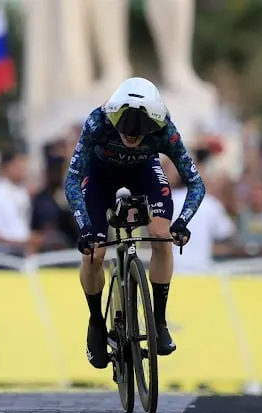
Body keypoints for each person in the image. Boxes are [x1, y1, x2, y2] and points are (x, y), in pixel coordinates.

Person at [64, 77, 206, 369]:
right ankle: (95, 322)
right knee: (95, 253)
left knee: (160, 235)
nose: (131, 138)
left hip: (144, 172)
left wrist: (182, 222)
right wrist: (85, 228)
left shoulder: (166, 129)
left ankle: (159, 321)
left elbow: (195, 183)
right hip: (100, 175)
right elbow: (72, 178)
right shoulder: (98, 122)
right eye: (125, 133)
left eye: (138, 135)